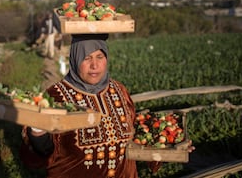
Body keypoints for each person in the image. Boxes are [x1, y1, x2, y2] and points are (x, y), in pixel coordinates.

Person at [20, 34, 193, 177]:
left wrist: (172, 145)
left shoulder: (119, 90)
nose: (94, 65)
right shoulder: (55, 96)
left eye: (100, 57)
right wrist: (38, 132)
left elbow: (135, 135)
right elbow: (42, 152)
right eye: (87, 58)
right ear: (74, 59)